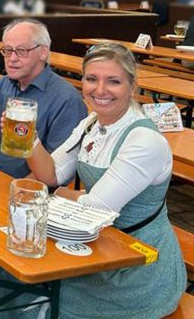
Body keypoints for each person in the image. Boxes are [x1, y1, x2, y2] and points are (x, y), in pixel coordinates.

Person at [22, 42, 186, 318]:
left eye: (113, 81)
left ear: (132, 87)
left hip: (138, 264)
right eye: (91, 79)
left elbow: (96, 208)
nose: (99, 90)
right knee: (20, 282)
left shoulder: (143, 140)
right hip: (97, 244)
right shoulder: (92, 122)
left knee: (45, 299)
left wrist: (61, 195)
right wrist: (27, 134)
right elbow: (50, 174)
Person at [0, 19, 88, 177]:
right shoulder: (4, 83)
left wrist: (17, 191)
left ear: (43, 52)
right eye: (7, 50)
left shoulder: (67, 100)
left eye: (21, 51)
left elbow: (58, 169)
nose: (12, 58)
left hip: (32, 193)